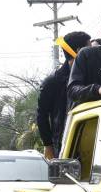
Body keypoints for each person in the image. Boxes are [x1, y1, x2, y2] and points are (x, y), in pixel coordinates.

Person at [37, 31, 92, 159]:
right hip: (64, 148)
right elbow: (41, 115)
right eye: (90, 49)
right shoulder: (53, 81)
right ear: (80, 50)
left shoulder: (92, 76)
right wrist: (48, 146)